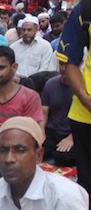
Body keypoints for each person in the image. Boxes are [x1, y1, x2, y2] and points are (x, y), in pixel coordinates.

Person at [0, 46, 42, 180]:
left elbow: (35, 134)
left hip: (19, 160)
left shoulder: (29, 97)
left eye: (0, 67)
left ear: (14, 68)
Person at [56, 1, 91, 197]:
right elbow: (69, 61)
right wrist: (86, 99)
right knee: (88, 183)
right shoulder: (85, 10)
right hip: (85, 115)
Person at [40, 64, 75, 167]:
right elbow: (44, 113)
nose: (63, 69)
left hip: (74, 132)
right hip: (53, 131)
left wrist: (71, 138)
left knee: (63, 157)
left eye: (67, 65)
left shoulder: (84, 86)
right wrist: (41, 131)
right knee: (37, 148)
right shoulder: (50, 84)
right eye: (61, 64)